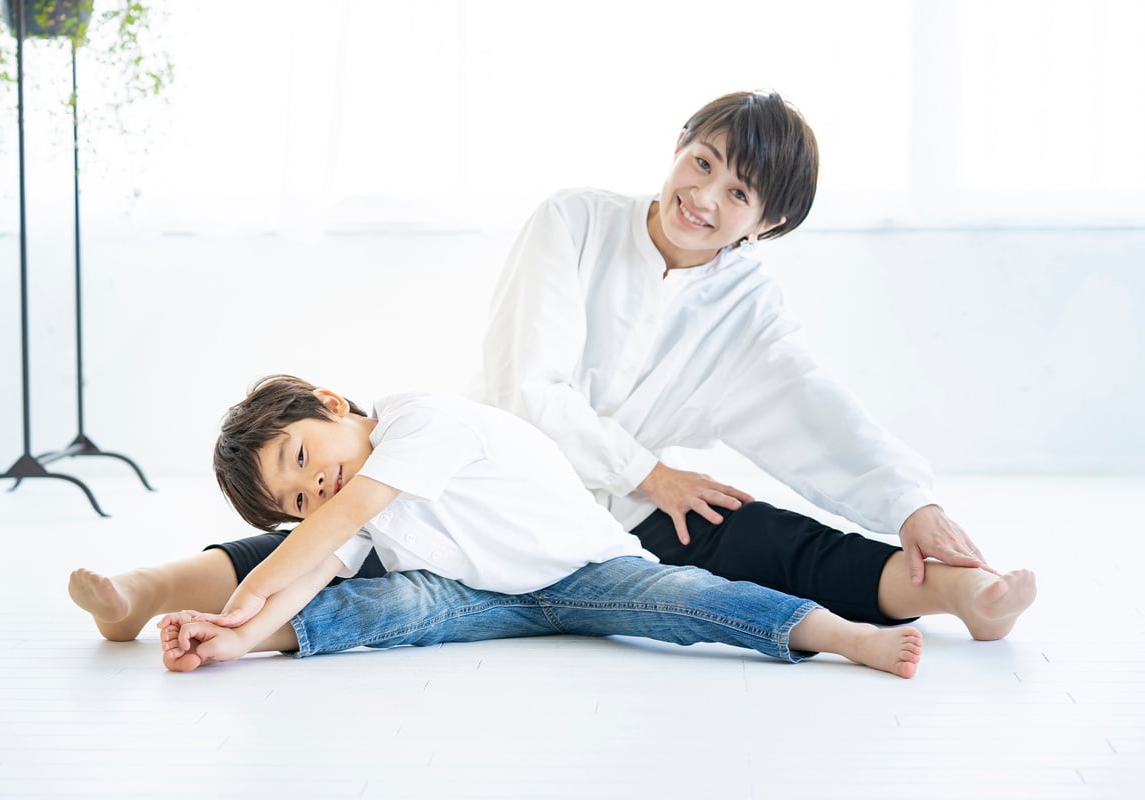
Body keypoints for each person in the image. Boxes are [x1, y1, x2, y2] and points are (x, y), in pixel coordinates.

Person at [69, 89, 1035, 644]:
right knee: (320, 540)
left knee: (782, 542)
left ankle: (959, 593)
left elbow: (810, 407)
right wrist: (648, 469)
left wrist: (909, 501)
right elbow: (533, 388)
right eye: (700, 163)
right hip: (492, 494)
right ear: (677, 151)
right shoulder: (574, 221)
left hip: (608, 529)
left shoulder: (749, 304)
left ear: (767, 222)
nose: (704, 196)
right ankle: (148, 592)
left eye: (737, 192)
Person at [157, 374, 924, 679]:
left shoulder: (420, 422)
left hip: (585, 571)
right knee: (387, 606)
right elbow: (316, 568)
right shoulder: (340, 511)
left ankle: (839, 635)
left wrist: (241, 594)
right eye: (295, 502)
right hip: (490, 599)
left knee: (691, 600)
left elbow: (317, 541)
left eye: (301, 458)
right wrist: (237, 635)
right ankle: (235, 641)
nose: (313, 490)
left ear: (330, 403)